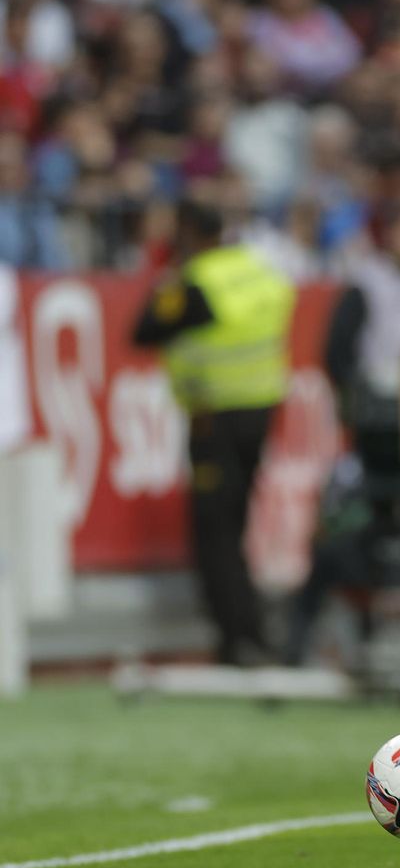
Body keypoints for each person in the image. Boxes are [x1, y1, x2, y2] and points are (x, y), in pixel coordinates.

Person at [284, 208, 400, 666]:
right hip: (374, 442)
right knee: (339, 532)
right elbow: (337, 356)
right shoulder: (367, 286)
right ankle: (299, 641)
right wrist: (363, 408)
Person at [131, 199, 295, 666]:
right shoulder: (258, 267)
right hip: (260, 408)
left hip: (213, 415)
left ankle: (237, 638)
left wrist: (169, 276)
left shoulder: (196, 281)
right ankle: (255, 630)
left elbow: (143, 331)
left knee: (214, 532)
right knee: (238, 525)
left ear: (186, 231)